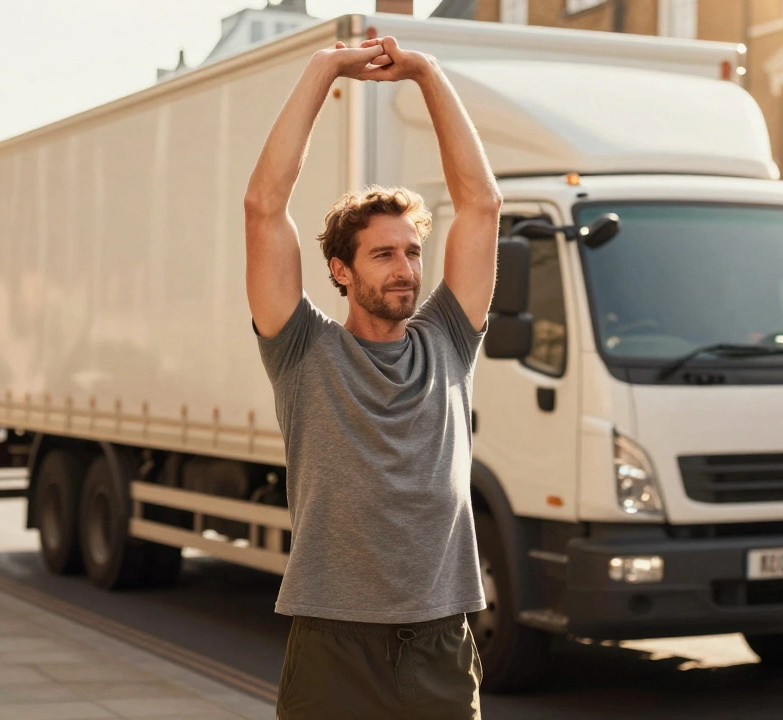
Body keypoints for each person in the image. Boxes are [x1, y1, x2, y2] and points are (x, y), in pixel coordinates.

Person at [245, 35, 501, 720]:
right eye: (383, 253)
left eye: (413, 252)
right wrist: (323, 69)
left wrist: (427, 71)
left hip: (440, 638)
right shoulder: (303, 350)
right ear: (341, 269)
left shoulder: (449, 339)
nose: (406, 269)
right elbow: (264, 208)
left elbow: (481, 205)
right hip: (333, 643)